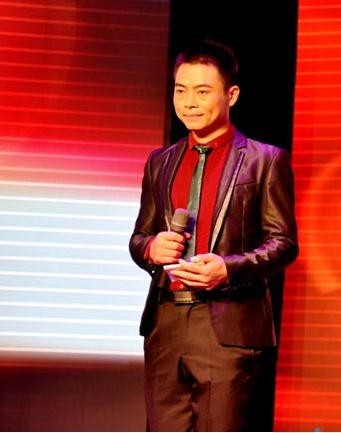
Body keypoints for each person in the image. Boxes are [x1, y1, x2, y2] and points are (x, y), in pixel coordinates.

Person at [129, 40, 298, 431]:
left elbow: (284, 243)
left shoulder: (264, 160)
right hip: (166, 320)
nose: (189, 103)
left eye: (202, 92)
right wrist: (151, 248)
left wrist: (228, 268)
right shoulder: (160, 161)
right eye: (180, 90)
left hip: (226, 322)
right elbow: (138, 237)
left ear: (231, 95)